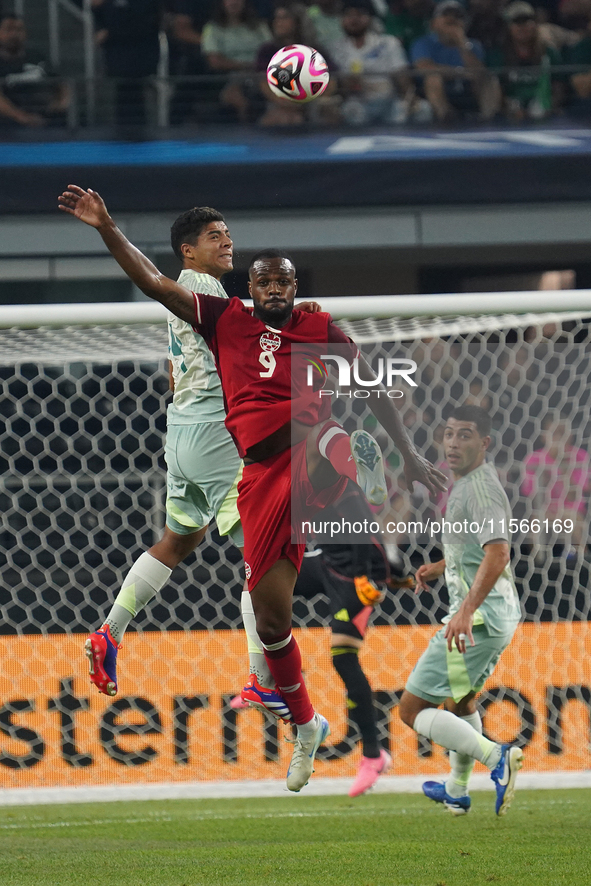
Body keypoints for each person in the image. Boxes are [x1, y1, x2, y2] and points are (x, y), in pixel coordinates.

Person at [58, 184, 447, 792]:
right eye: (221, 241)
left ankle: (117, 628)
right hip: (239, 456)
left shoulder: (302, 323)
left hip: (224, 445)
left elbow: (369, 381)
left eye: (280, 280)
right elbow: (159, 284)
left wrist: (408, 451)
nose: (235, 252)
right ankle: (285, 702)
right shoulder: (220, 305)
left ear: (291, 286)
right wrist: (107, 228)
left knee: (189, 535)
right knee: (264, 594)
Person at [233, 481, 415, 796]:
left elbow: (365, 528)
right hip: (327, 562)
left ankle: (374, 755)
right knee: (260, 586)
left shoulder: (339, 481)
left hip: (355, 576)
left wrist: (371, 575)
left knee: (344, 659)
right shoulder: (304, 479)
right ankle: (262, 680)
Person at [398, 405, 523, 816]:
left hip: (480, 620)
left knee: (411, 709)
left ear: (484, 443)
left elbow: (499, 552)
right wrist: (439, 568)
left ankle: (497, 758)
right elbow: (474, 548)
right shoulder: (468, 485)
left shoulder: (482, 491)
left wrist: (466, 610)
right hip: (494, 616)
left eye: (465, 435)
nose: (453, 442)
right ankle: (457, 790)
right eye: (449, 434)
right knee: (461, 703)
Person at [332, 0, 423, 125]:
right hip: (358, 101)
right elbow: (339, 85)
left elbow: (402, 75)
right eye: (348, 15)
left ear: (370, 17)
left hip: (390, 98)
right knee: (351, 111)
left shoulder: (387, 42)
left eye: (359, 14)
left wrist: (409, 96)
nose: (353, 20)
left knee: (422, 109)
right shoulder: (336, 48)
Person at [410, 0, 501, 121]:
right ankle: (447, 118)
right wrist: (458, 72)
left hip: (466, 89)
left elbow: (479, 72)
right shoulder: (423, 43)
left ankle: (489, 119)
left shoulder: (473, 45)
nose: (452, 19)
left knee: (489, 79)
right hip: (435, 92)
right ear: (434, 23)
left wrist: (462, 45)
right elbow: (424, 67)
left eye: (458, 16)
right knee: (433, 78)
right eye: (446, 15)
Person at [486, 1, 565, 120]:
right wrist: (508, 107)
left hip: (543, 110)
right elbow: (495, 88)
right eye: (517, 22)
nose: (522, 27)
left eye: (527, 21)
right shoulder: (498, 55)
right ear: (509, 26)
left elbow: (559, 85)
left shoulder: (549, 53)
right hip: (510, 111)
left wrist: (550, 106)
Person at [93, 0, 163, 127]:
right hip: (118, 58)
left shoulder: (143, 4)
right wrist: (97, 8)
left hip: (138, 57)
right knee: (123, 97)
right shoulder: (108, 4)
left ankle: (136, 132)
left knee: (134, 97)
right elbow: (103, 18)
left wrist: (110, 33)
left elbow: (143, 25)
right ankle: (125, 132)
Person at [201, 0, 271, 123]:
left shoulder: (260, 26)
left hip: (262, 72)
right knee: (234, 91)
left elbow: (271, 50)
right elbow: (215, 61)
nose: (234, 3)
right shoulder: (212, 28)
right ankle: (246, 121)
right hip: (230, 75)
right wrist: (245, 66)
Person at [0, 14, 71, 128]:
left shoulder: (36, 56)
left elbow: (61, 82)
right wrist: (20, 117)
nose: (14, 34)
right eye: (9, 29)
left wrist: (61, 102)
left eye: (19, 30)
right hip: (11, 124)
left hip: (47, 116)